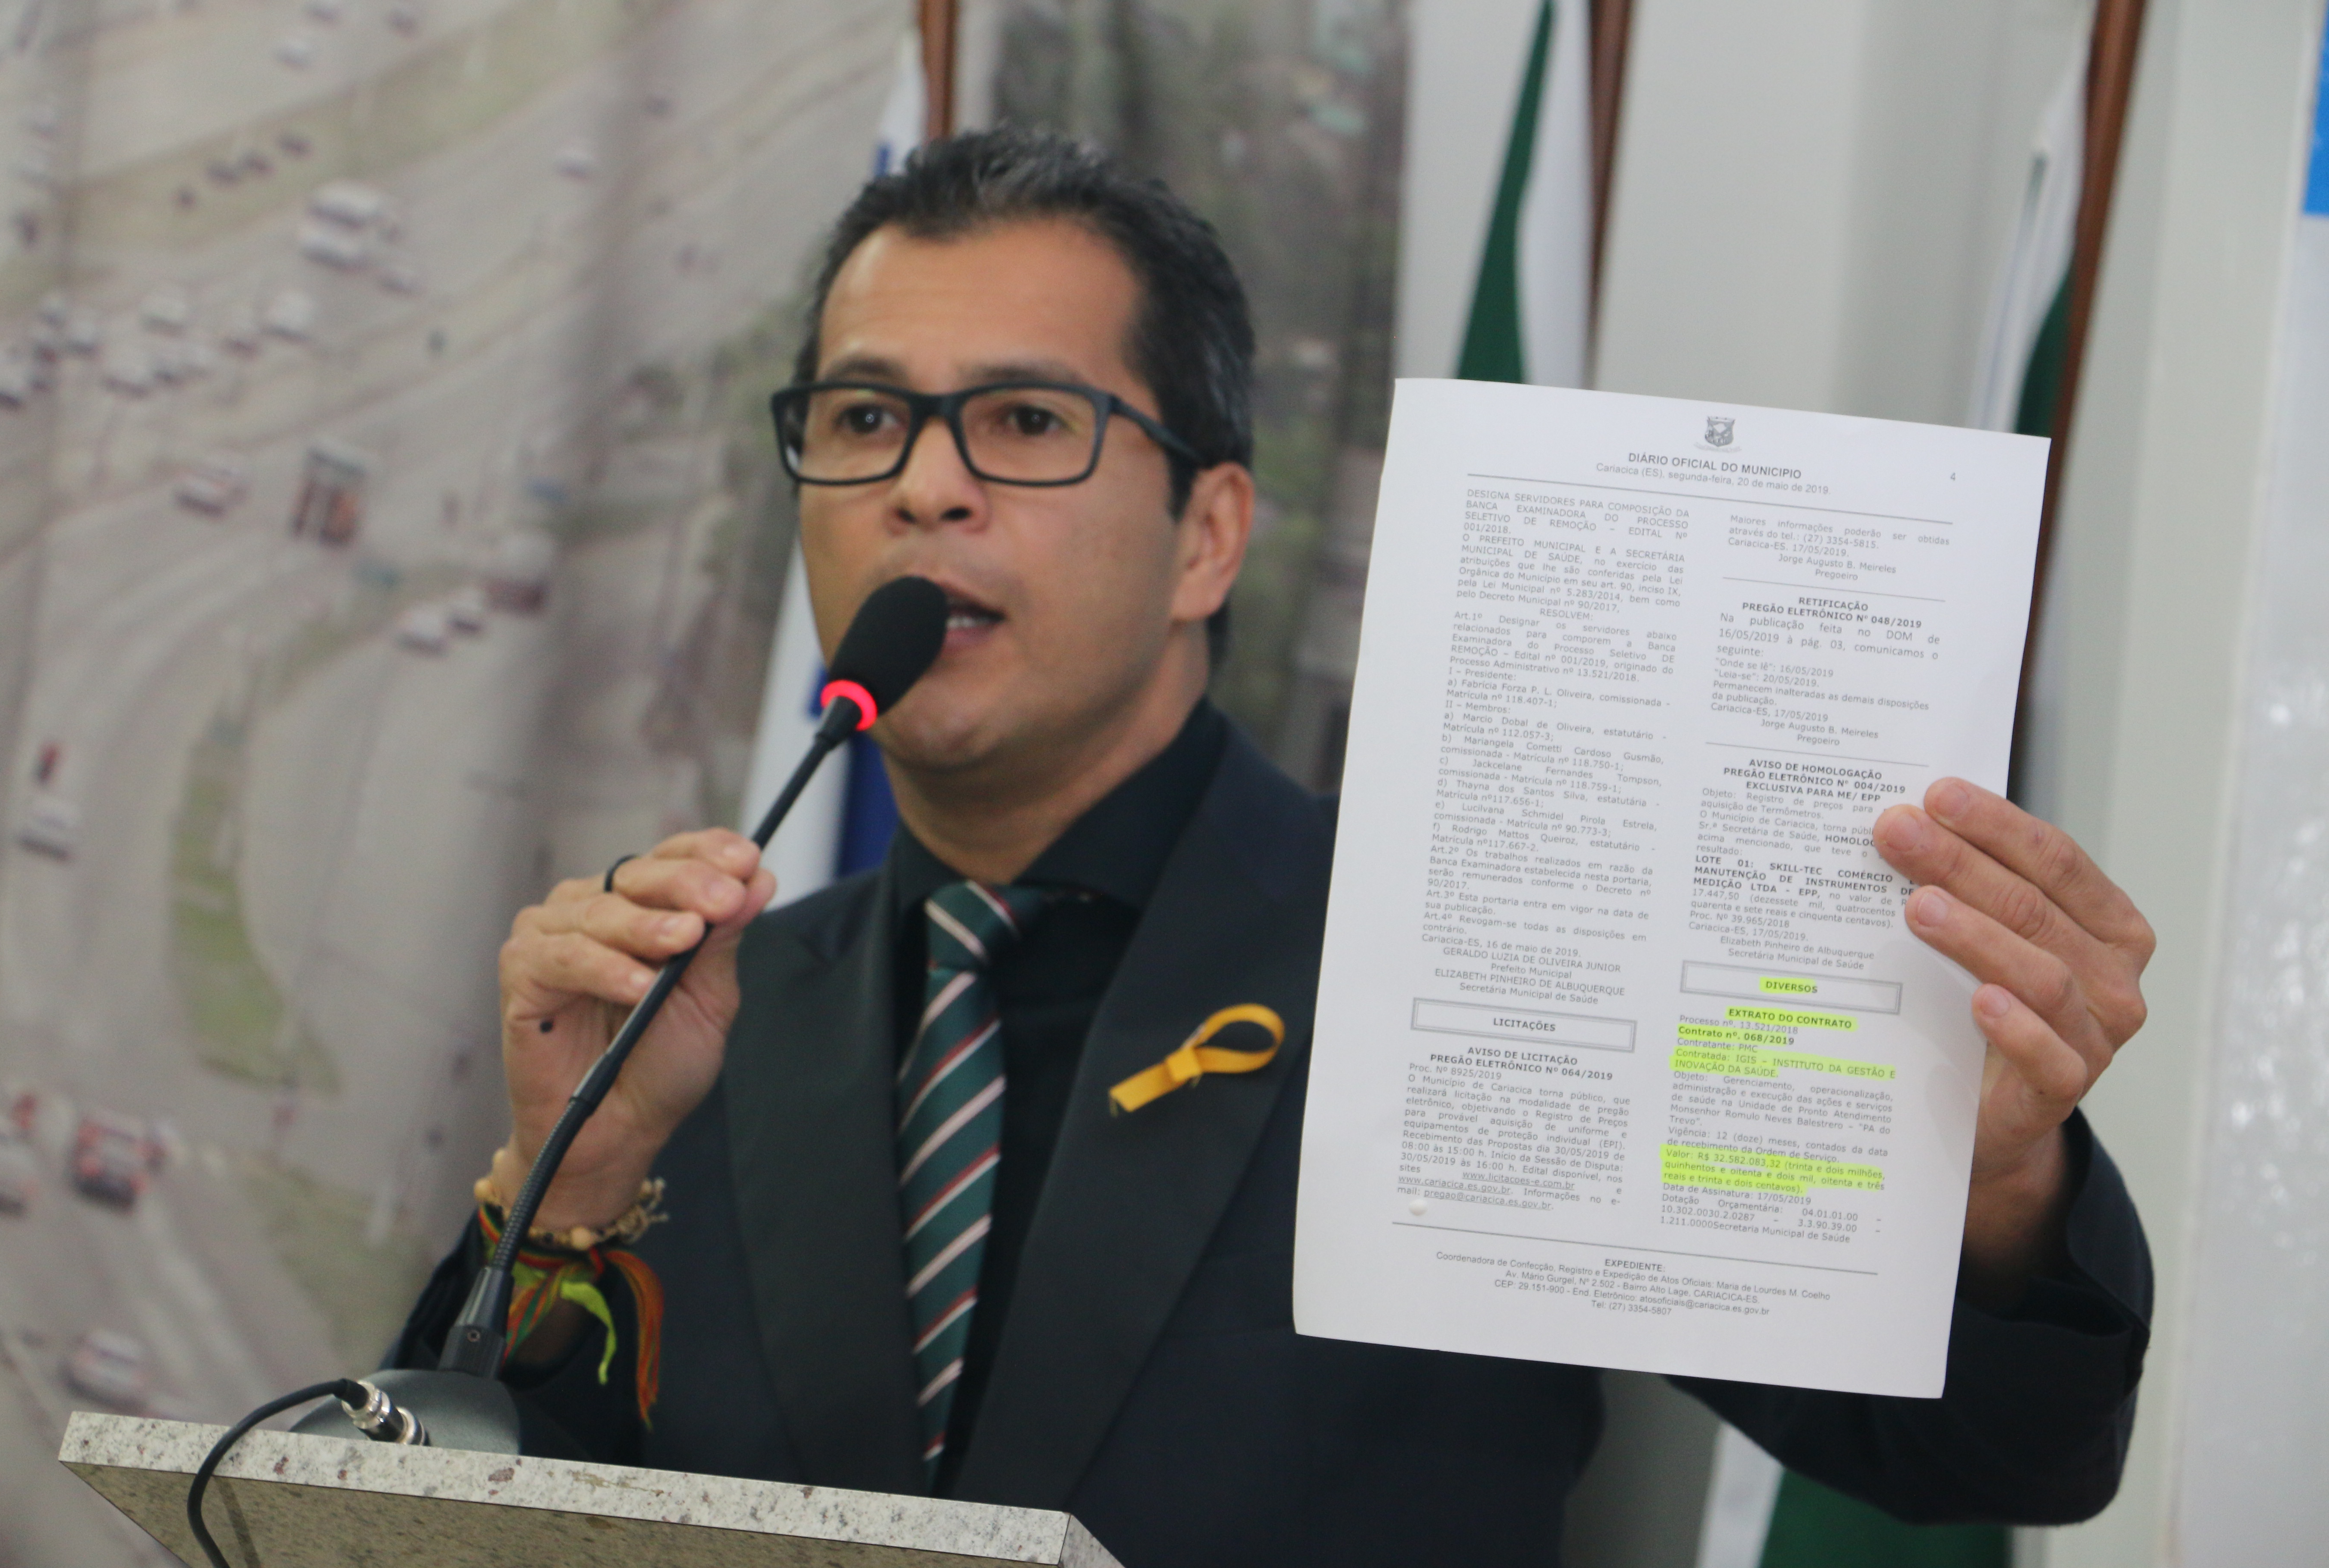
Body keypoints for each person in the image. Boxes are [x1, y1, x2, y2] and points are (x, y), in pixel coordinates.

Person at [397, 128, 2154, 1568]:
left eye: (1025, 422)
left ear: (1209, 538)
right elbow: (450, 1518)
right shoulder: (698, 1012)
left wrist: (1996, 1189)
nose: (923, 487)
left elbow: (1985, 1460)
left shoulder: (1493, 957)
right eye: (865, 421)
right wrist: (561, 1190)